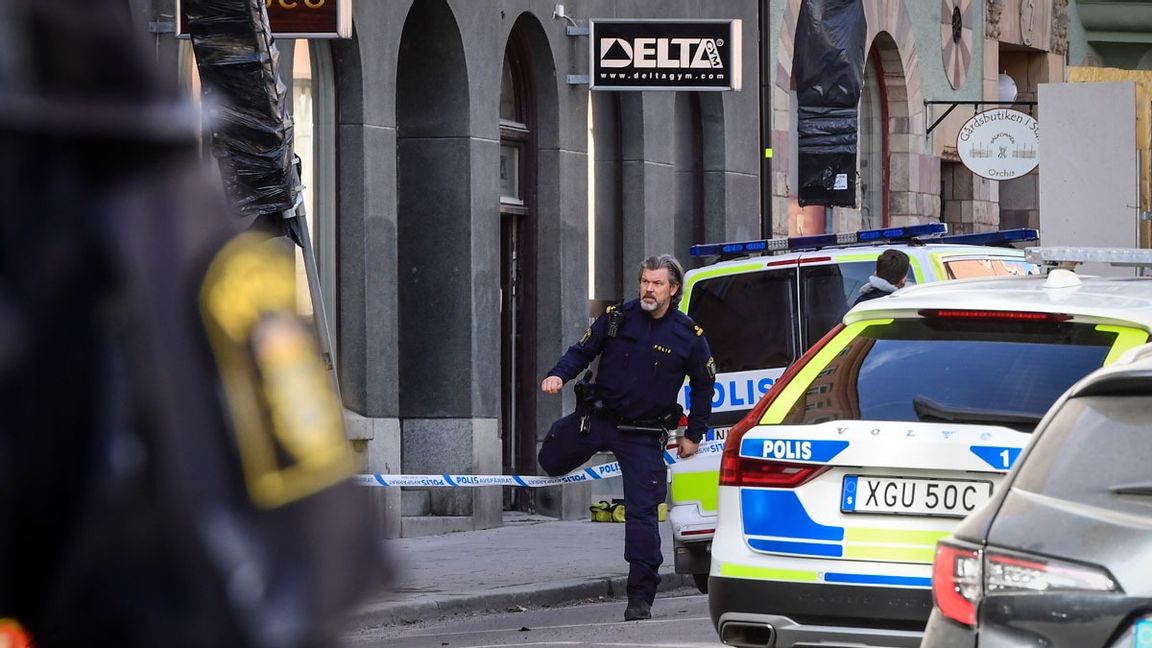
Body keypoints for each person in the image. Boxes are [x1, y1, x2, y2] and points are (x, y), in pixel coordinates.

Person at [538, 254, 716, 621]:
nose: (648, 289)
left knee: (641, 515)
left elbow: (704, 386)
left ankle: (640, 598)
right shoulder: (618, 317)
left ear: (673, 289)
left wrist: (693, 434)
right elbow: (582, 351)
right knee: (550, 457)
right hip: (600, 418)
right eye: (645, 282)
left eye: (657, 283)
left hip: (643, 434)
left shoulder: (688, 335)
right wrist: (559, 375)